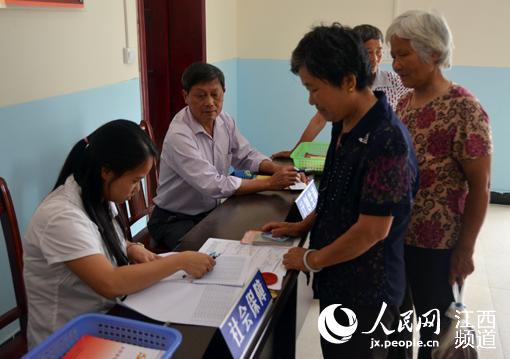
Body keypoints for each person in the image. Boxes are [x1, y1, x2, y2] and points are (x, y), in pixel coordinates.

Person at [262, 24, 418, 358]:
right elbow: (336, 194)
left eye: (314, 88)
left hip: (367, 292)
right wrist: (304, 226)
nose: (310, 99)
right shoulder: (343, 124)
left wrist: (311, 259)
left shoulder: (386, 139)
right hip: (338, 277)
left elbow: (372, 230)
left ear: (348, 81)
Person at [23, 120, 215, 348]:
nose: (137, 190)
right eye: (135, 180)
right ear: (106, 171)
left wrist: (129, 247)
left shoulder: (96, 194)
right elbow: (110, 283)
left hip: (106, 317)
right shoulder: (60, 217)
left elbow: (97, 236)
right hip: (66, 341)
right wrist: (179, 261)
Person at [387, 10, 492, 358]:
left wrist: (465, 249)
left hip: (439, 244)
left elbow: (481, 184)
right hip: (398, 235)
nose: (396, 64)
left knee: (436, 333)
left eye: (403, 54)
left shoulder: (464, 107)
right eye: (393, 54)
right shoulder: (403, 103)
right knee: (396, 325)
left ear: (432, 52)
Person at [149, 62, 300, 250]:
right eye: (201, 95)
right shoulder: (179, 135)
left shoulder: (225, 121)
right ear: (185, 96)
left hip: (210, 212)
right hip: (174, 219)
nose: (210, 102)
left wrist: (278, 169)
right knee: (211, 259)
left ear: (224, 93)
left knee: (253, 240)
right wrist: (271, 183)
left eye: (215, 94)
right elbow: (213, 184)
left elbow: (245, 155)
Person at [272, 24, 409, 159]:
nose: (374, 58)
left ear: (350, 82)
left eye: (378, 52)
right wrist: (296, 152)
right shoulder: (339, 127)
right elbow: (319, 120)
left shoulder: (388, 138)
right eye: (368, 52)